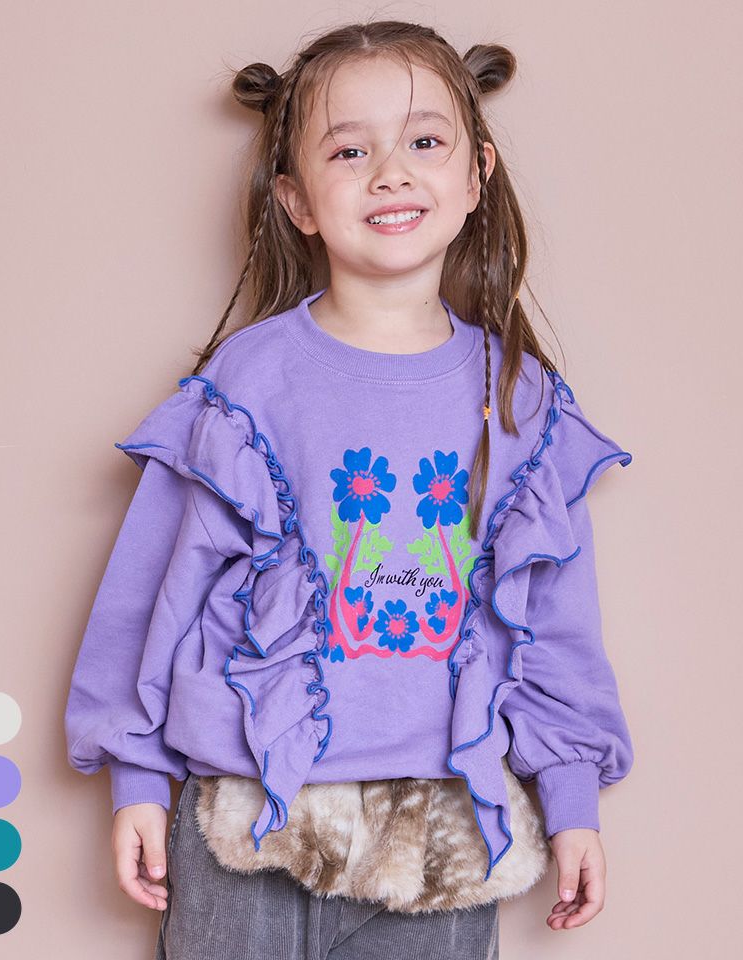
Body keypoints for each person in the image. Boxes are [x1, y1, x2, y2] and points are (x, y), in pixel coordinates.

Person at [64, 19, 635, 959]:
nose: (390, 174)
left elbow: (557, 623)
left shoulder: (521, 399)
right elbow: (152, 589)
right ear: (295, 199)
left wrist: (571, 799)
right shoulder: (248, 383)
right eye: (349, 151)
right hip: (248, 814)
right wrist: (135, 774)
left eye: (424, 142)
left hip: (445, 828)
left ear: (477, 175)